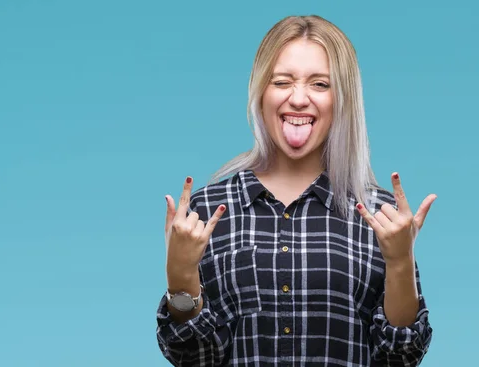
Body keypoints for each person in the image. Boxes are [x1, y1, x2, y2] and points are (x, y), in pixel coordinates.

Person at [156, 15, 436, 367]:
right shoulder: (209, 211)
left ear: (342, 99)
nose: (299, 98)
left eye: (320, 84)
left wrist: (399, 263)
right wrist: (180, 274)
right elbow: (194, 357)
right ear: (261, 92)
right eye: (282, 81)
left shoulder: (381, 216)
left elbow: (400, 357)